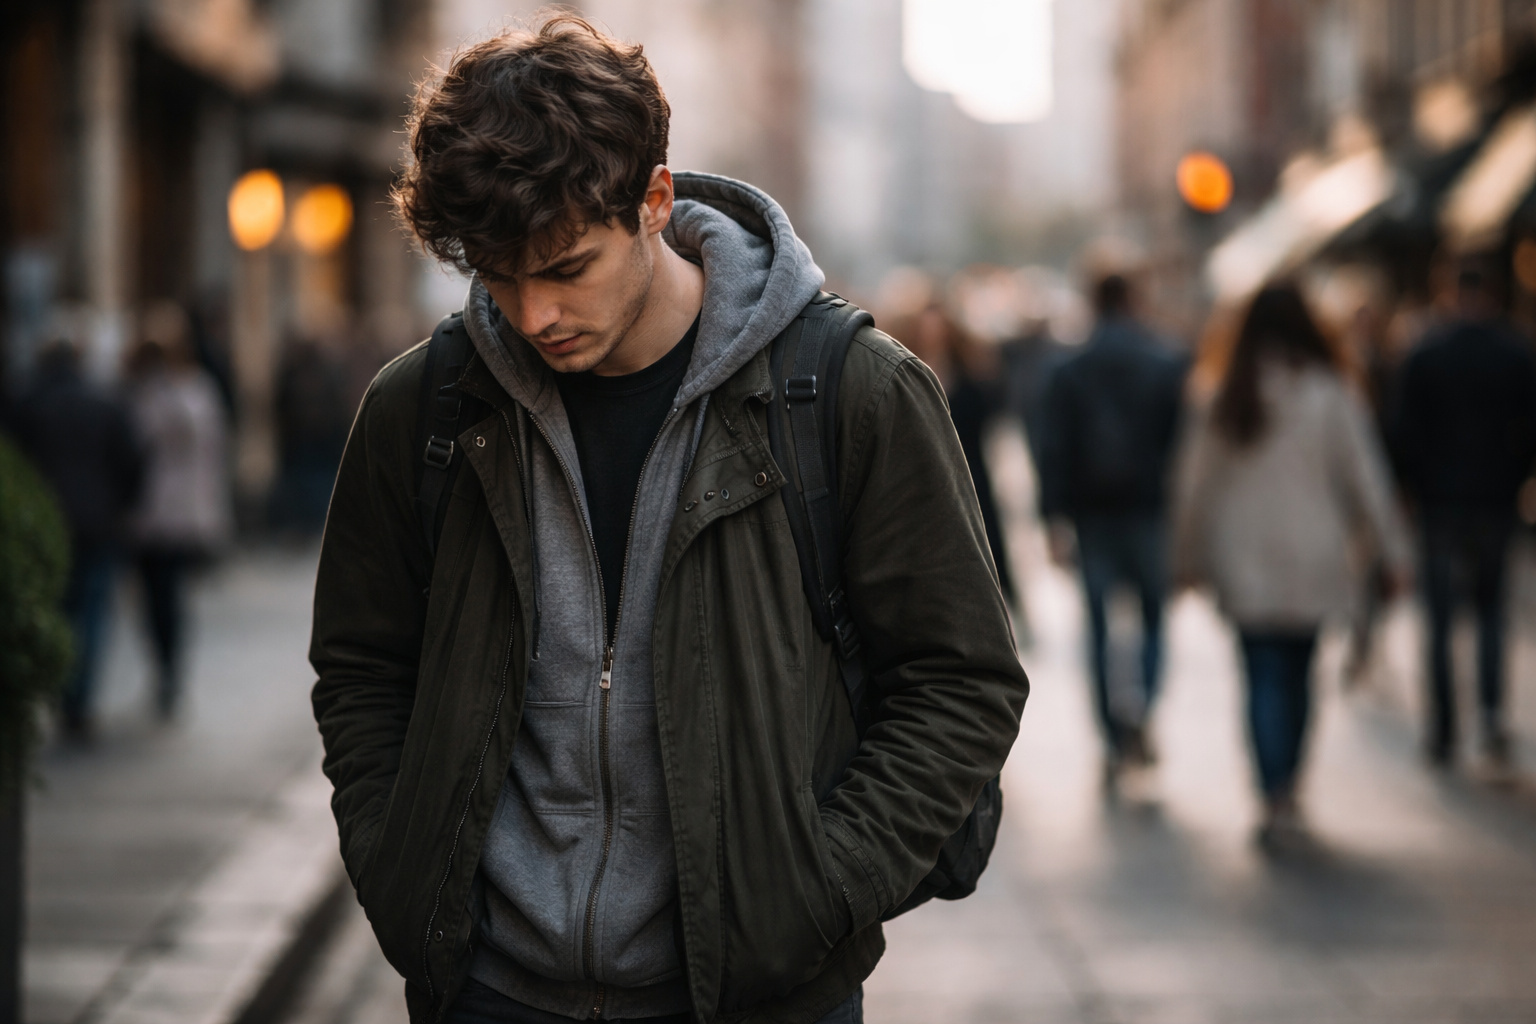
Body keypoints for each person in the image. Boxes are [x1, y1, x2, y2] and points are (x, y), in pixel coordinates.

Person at [309, 17, 1027, 1024]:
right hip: (489, 994)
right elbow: (361, 666)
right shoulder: (420, 407)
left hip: (759, 997)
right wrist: (401, 873)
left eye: (567, 267)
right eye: (498, 273)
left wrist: (813, 896)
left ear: (654, 201)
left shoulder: (851, 393)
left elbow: (962, 682)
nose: (533, 313)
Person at [1172, 284, 1410, 840]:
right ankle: (1289, 785)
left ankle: (1272, 791)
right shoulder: (1331, 393)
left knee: (1260, 676)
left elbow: (1193, 485)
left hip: (1243, 559)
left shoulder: (1223, 393)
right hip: (1314, 557)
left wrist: (1185, 557)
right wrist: (1393, 552)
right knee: (1299, 676)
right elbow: (1367, 478)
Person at [1037, 273, 1187, 773]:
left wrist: (1052, 518)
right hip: (1148, 508)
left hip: (1091, 513)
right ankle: (1141, 703)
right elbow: (1181, 449)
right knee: (1153, 616)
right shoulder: (1165, 362)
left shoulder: (1069, 368)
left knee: (1098, 624)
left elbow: (1052, 449)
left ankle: (1110, 731)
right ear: (1133, 299)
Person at [1390, 264, 1536, 768]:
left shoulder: (1426, 352)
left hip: (1440, 502)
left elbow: (1403, 431)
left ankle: (1444, 724)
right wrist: (1515, 479)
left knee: (1440, 616)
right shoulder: (1515, 351)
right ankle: (1491, 714)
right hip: (1495, 499)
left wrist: (1411, 488)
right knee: (1492, 610)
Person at [6, 338, 143, 738]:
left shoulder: (29, 404)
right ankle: (80, 698)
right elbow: (131, 463)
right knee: (93, 614)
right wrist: (119, 506)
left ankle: (66, 693)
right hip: (99, 523)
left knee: (60, 609)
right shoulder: (104, 404)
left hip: (49, 524)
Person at [124, 303, 233, 719]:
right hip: (149, 509)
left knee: (169, 595)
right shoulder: (144, 392)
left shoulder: (196, 389)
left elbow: (211, 452)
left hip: (178, 511)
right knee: (153, 597)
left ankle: (170, 671)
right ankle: (164, 667)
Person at [899, 301, 1018, 612]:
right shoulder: (906, 373)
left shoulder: (968, 373)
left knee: (986, 549)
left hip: (972, 475)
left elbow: (991, 417)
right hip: (926, 482)